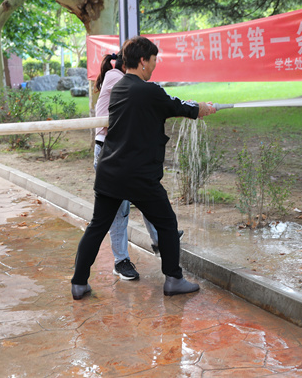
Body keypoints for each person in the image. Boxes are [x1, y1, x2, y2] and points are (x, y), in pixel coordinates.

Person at [71, 36, 216, 300]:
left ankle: (79, 283)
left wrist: (192, 108)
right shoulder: (149, 91)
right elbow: (177, 106)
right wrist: (202, 108)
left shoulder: (119, 87)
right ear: (143, 61)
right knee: (167, 223)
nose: (155, 65)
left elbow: (163, 108)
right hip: (139, 176)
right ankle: (174, 279)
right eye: (153, 60)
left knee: (97, 226)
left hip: (110, 172)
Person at [94, 51, 171, 281]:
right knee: (120, 210)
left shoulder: (121, 79)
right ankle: (121, 261)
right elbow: (144, 95)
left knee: (147, 195)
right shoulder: (116, 78)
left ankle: (160, 240)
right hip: (109, 152)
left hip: (125, 151)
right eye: (146, 63)